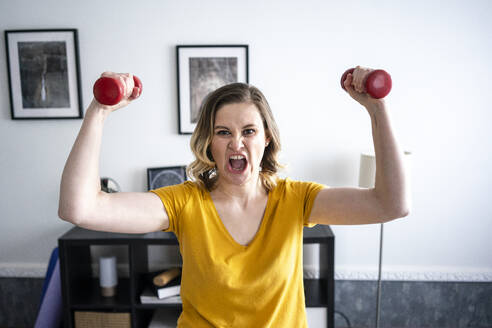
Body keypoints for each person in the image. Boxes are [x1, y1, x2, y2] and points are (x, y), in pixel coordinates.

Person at [58, 67, 409, 327]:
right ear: (209, 143)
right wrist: (98, 112)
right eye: (223, 132)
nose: (236, 143)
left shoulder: (297, 199)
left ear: (267, 138)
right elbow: (80, 208)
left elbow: (390, 204)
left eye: (249, 131)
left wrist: (377, 108)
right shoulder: (185, 202)